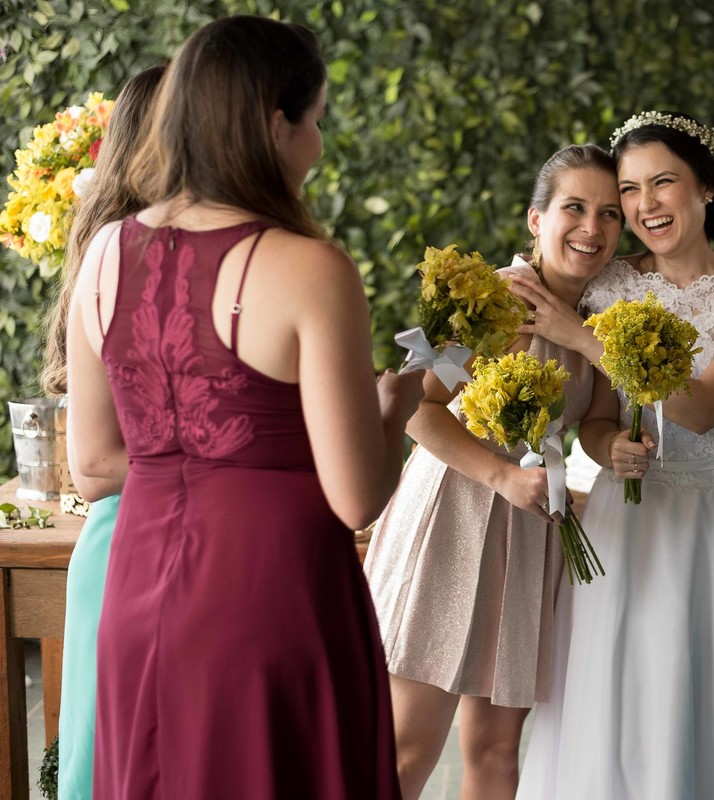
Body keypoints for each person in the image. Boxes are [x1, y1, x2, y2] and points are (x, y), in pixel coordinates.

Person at [65, 16, 421, 798]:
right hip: (271, 600)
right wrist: (394, 407)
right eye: (317, 120)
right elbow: (357, 495)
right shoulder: (310, 267)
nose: (319, 145)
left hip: (137, 598)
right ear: (275, 124)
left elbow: (91, 463)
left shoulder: (104, 253)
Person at [517, 112, 714, 800]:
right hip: (625, 523)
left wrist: (583, 340)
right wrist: (610, 447)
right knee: (616, 702)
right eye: (631, 190)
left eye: (663, 182)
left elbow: (703, 407)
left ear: (707, 188)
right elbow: (599, 417)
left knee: (703, 699)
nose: (644, 205)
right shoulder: (610, 284)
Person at [363, 143, 622, 800]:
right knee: (403, 751)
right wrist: (503, 477)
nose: (592, 228)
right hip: (452, 518)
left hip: (530, 537)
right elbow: (416, 407)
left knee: (496, 751)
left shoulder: (599, 316)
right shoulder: (491, 302)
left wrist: (616, 442)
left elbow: (592, 420)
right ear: (536, 219)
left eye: (610, 213)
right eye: (574, 207)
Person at [42, 63, 166, 800]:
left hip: (128, 536)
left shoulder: (109, 245)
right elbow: (93, 461)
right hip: (131, 538)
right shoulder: (123, 254)